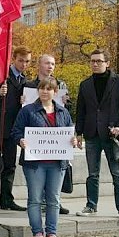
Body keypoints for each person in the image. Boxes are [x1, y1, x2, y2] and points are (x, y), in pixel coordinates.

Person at [11, 78, 77, 237]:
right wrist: (21, 140)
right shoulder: (28, 111)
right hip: (35, 164)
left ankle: (52, 234)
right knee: (35, 199)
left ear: (55, 92)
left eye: (49, 89)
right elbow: (16, 131)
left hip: (57, 163)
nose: (45, 91)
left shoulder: (63, 112)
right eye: (42, 88)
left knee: (54, 199)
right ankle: (37, 234)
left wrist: (73, 140)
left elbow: (70, 131)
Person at [75, 49, 119, 220]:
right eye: (92, 61)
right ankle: (91, 206)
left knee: (117, 174)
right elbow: (81, 111)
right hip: (92, 135)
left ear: (107, 63)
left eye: (99, 61)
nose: (95, 64)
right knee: (92, 174)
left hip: (112, 136)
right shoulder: (85, 84)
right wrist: (78, 133)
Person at [25, 54, 71, 215]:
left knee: (54, 173)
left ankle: (52, 201)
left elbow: (67, 116)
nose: (50, 66)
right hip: (36, 137)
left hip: (55, 139)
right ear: (39, 65)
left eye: (52, 64)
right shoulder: (29, 85)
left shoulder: (61, 84)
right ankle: (40, 202)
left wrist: (67, 100)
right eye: (47, 63)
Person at [0, 46, 32, 211]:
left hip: (13, 129)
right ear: (14, 59)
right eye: (21, 60)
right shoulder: (2, 76)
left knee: (9, 165)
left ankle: (7, 199)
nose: (24, 64)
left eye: (27, 61)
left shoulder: (25, 81)